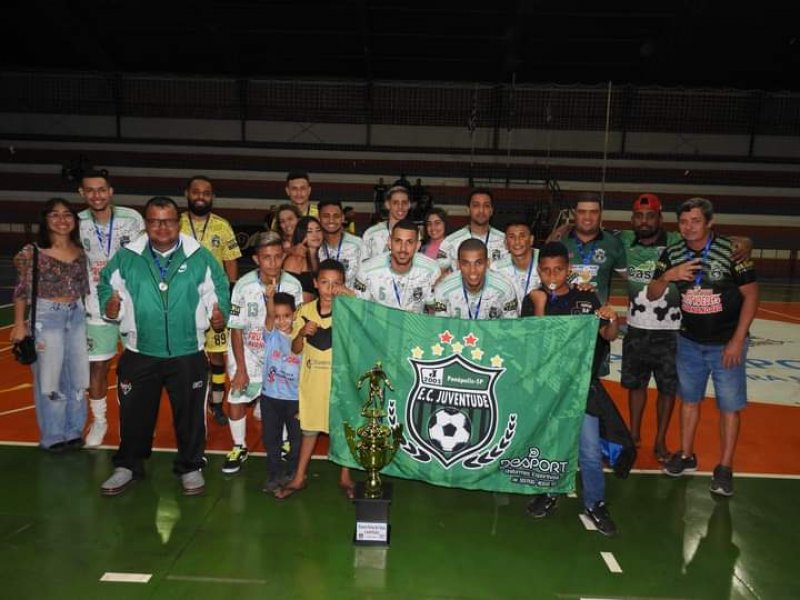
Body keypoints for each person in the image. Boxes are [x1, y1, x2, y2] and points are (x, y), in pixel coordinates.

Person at [98, 196, 231, 496]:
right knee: (134, 414)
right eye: (155, 221)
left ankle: (190, 466)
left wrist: (219, 311)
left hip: (187, 351)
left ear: (178, 222)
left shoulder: (199, 255)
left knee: (190, 414)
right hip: (139, 350)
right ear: (146, 223)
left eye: (168, 221)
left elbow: (218, 287)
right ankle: (128, 465)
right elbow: (107, 284)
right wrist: (110, 305)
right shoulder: (127, 256)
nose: (162, 227)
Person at [648, 197, 758, 497]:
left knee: (729, 407)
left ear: (710, 222)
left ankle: (724, 468)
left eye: (696, 221)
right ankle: (685, 455)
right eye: (683, 222)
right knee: (689, 401)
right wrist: (668, 276)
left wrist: (737, 339)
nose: (689, 227)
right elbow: (652, 292)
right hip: (689, 341)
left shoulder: (732, 252)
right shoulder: (672, 253)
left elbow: (750, 294)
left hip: (726, 344)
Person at [522, 242, 621, 536]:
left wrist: (612, 318)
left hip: (581, 388)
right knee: (551, 445)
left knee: (589, 450)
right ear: (539, 270)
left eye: (559, 269)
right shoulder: (533, 299)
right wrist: (540, 306)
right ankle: (550, 492)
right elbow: (533, 342)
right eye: (546, 269)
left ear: (569, 270)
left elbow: (608, 334)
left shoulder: (587, 298)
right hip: (549, 388)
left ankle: (595, 503)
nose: (552, 274)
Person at [11, 198, 90, 451]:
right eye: (54, 215)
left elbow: (84, 290)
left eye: (67, 215)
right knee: (50, 379)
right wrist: (19, 324)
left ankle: (74, 429)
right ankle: (53, 435)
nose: (62, 220)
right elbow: (22, 290)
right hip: (48, 316)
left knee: (78, 376)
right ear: (45, 220)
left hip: (76, 314)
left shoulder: (80, 251)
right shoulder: (31, 253)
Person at [273, 259, 356, 500]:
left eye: (336, 284)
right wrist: (301, 333)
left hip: (339, 384)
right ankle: (299, 477)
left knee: (342, 431)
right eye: (325, 282)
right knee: (308, 432)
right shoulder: (304, 311)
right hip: (312, 384)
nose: (330, 289)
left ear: (343, 285)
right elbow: (295, 349)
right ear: (315, 284)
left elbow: (366, 320)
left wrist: (349, 296)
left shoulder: (349, 310)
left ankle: (345, 476)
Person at [223, 232, 304, 475]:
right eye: (267, 258)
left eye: (278, 257)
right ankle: (239, 446)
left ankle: (285, 442)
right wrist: (241, 369)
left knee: (284, 399)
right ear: (257, 259)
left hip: (280, 352)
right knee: (237, 395)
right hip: (249, 350)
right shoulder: (243, 286)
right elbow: (236, 329)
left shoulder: (293, 285)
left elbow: (297, 323)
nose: (273, 263)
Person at [78, 170, 145, 447]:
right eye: (90, 190)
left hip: (133, 304)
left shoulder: (132, 218)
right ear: (82, 194)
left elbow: (146, 256)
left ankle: (138, 422)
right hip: (96, 304)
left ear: (111, 191)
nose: (97, 195)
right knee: (98, 367)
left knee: (140, 367)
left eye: (102, 189)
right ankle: (100, 421)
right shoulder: (77, 222)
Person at [616, 193, 682, 461]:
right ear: (633, 219)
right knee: (636, 386)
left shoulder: (678, 242)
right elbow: (591, 232)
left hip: (672, 330)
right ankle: (633, 435)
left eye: (650, 216)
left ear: (659, 218)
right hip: (637, 328)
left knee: (668, 389)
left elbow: (714, 241)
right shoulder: (623, 242)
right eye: (639, 216)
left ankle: (661, 441)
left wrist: (744, 242)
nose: (644, 221)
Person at [179, 175, 242, 426]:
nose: (201, 196)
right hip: (181, 302)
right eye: (196, 191)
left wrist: (229, 298)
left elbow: (231, 262)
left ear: (212, 196)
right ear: (187, 193)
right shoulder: (176, 223)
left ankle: (216, 402)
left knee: (217, 356)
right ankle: (189, 400)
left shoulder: (222, 226)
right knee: (186, 355)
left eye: (206, 192)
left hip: (215, 301)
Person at [259, 290, 302, 493]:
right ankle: (274, 473)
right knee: (271, 438)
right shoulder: (271, 335)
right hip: (270, 398)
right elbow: (268, 317)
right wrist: (269, 299)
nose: (281, 321)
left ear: (294, 314)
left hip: (294, 399)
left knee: (296, 439)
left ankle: (293, 472)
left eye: (286, 315)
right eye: (277, 316)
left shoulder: (301, 338)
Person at [354, 219, 439, 313]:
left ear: (417, 246)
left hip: (414, 325)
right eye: (398, 241)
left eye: (409, 242)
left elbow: (434, 310)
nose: (403, 248)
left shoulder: (431, 269)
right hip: (379, 325)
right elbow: (358, 307)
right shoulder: (367, 270)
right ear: (389, 242)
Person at [431, 239, 518, 319]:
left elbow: (510, 327)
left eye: (478, 263)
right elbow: (441, 329)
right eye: (466, 264)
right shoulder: (443, 290)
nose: (472, 271)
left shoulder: (504, 288)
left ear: (487, 263)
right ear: (458, 265)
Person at [440, 189, 508, 272]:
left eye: (486, 206)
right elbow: (440, 274)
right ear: (468, 210)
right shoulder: (450, 241)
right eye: (476, 205)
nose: (481, 211)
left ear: (491, 211)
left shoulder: (505, 241)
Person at [490, 221, 541, 306]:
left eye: (522, 236)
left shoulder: (545, 260)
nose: (517, 241)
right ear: (506, 243)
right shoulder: (496, 268)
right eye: (511, 237)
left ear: (531, 240)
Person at [317, 199, 363, 288]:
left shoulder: (358, 244)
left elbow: (367, 278)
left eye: (336, 216)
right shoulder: (315, 245)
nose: (331, 220)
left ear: (342, 218)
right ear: (319, 218)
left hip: (351, 299)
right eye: (326, 216)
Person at [361, 185, 411, 262]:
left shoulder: (415, 234)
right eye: (395, 203)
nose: (400, 206)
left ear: (409, 205)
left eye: (404, 203)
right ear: (387, 205)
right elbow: (363, 264)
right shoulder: (372, 233)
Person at [283, 216, 324, 303]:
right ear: (301, 234)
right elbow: (285, 295)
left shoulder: (322, 256)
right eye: (309, 231)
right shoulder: (295, 259)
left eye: (318, 230)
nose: (315, 235)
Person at [420, 207, 449, 271]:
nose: (433, 228)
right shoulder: (420, 248)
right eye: (429, 224)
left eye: (437, 223)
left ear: (445, 224)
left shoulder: (453, 247)